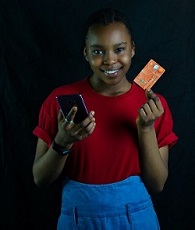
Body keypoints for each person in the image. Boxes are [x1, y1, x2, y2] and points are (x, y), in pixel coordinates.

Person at [32, 8, 178, 229]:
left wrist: (146, 129)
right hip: (77, 217)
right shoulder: (60, 101)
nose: (110, 60)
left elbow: (157, 184)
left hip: (136, 218)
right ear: (86, 53)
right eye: (98, 51)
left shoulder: (153, 106)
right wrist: (62, 142)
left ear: (133, 49)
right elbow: (40, 179)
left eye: (119, 49)